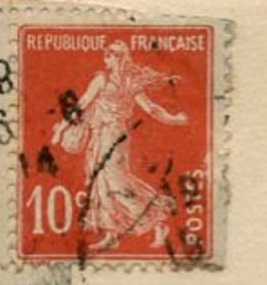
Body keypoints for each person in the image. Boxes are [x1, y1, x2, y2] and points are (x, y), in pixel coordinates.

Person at [49, 40, 189, 252]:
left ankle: (157, 221)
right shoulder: (102, 79)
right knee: (99, 183)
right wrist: (61, 129)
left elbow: (151, 108)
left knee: (116, 182)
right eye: (107, 55)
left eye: (110, 55)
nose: (106, 59)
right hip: (99, 135)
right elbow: (82, 104)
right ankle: (111, 234)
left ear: (119, 58)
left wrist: (174, 119)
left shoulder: (129, 83)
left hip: (113, 135)